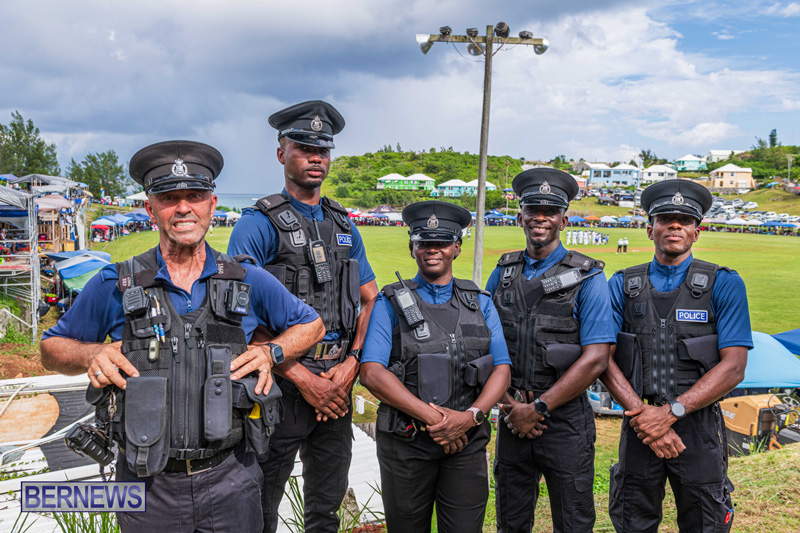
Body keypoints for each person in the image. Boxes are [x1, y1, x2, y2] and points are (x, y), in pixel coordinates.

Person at [40, 140, 325, 532]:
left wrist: (272, 353)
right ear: (150, 209)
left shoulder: (245, 279)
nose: (184, 208)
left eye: (195, 195)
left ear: (212, 203)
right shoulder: (116, 283)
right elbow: (50, 350)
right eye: (170, 198)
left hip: (232, 479)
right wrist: (92, 354)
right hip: (146, 487)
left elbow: (312, 325)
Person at [227, 100, 379, 533]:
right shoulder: (259, 223)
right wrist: (304, 378)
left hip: (336, 386)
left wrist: (350, 365)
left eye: (323, 150)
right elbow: (236, 314)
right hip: (281, 387)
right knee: (260, 508)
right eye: (304, 148)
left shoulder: (343, 224)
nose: (316, 157)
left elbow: (369, 298)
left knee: (326, 510)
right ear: (281, 154)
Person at [600, 179, 752, 532]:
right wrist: (644, 416)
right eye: (665, 218)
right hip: (639, 422)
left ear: (697, 232)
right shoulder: (622, 284)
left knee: (705, 522)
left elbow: (734, 367)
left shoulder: (724, 283)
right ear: (648, 228)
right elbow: (601, 357)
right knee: (632, 520)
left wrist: (671, 413)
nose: (674, 226)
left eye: (684, 220)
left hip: (697, 426)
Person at [359, 200, 511, 533]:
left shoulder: (481, 303)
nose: (432, 249)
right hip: (407, 445)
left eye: (441, 242)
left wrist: (469, 418)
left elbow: (502, 369)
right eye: (423, 242)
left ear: (456, 248)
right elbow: (371, 371)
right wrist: (438, 421)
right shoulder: (389, 303)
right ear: (411, 246)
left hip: (466, 444)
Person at [486, 168, 615, 532]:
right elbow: (488, 343)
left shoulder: (588, 277)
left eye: (550, 211)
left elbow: (596, 358)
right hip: (512, 416)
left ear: (564, 219)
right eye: (532, 209)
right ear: (520, 216)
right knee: (510, 521)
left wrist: (538, 408)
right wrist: (512, 407)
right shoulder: (503, 272)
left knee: (573, 522)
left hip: (564, 420)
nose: (540, 217)